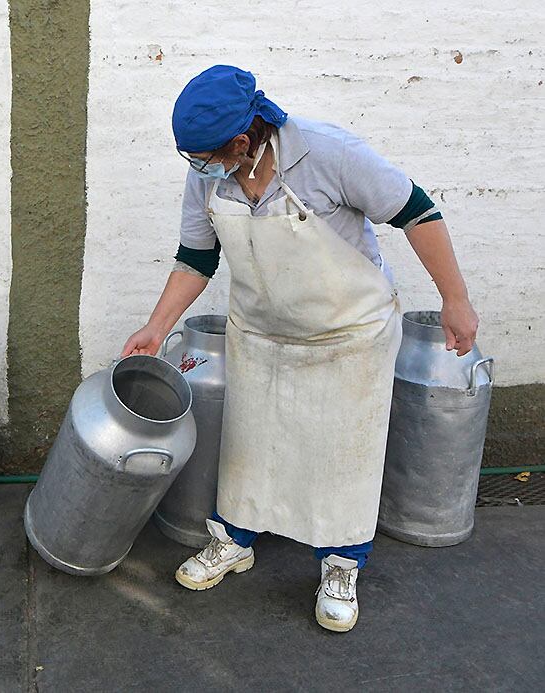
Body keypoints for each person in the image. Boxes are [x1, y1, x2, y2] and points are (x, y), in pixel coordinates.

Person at [121, 65, 479, 633]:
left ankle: (341, 564)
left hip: (348, 338)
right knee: (249, 450)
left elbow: (418, 212)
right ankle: (234, 540)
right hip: (262, 335)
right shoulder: (212, 176)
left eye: (205, 155)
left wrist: (455, 300)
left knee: (344, 458)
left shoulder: (328, 152)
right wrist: (157, 327)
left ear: (242, 140)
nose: (199, 167)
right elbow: (197, 256)